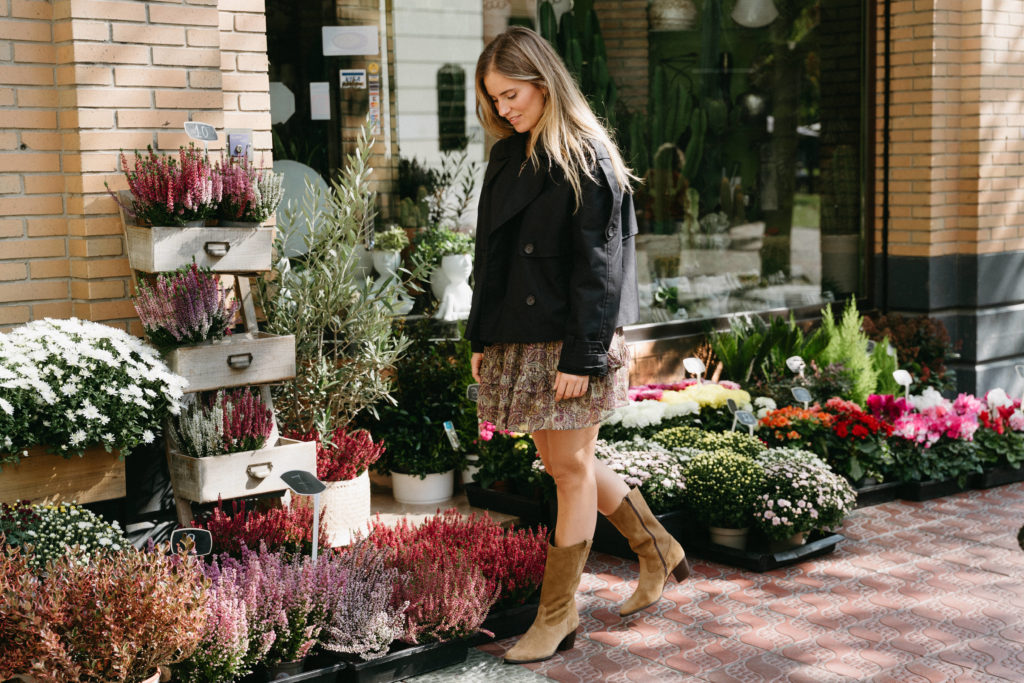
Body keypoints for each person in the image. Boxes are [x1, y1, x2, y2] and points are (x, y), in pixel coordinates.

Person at [465, 26, 689, 665]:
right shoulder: (510, 155)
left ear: (544, 81)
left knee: (567, 469)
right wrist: (481, 333)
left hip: (570, 338)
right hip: (519, 333)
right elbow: (493, 255)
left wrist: (582, 356)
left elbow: (602, 267)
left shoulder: (589, 156)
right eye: (494, 99)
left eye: (512, 94)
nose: (504, 109)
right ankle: (657, 548)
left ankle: (558, 616)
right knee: (570, 464)